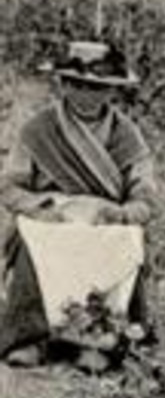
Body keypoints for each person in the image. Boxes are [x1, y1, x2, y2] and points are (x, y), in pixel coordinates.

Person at [0, 41, 155, 368]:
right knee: (36, 240)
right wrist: (40, 208)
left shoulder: (128, 136)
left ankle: (99, 341)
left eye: (98, 87)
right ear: (64, 85)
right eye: (78, 85)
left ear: (113, 90)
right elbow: (10, 186)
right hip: (53, 218)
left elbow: (144, 200)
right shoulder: (39, 129)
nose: (87, 94)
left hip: (102, 222)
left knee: (124, 243)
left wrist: (120, 213)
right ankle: (33, 338)